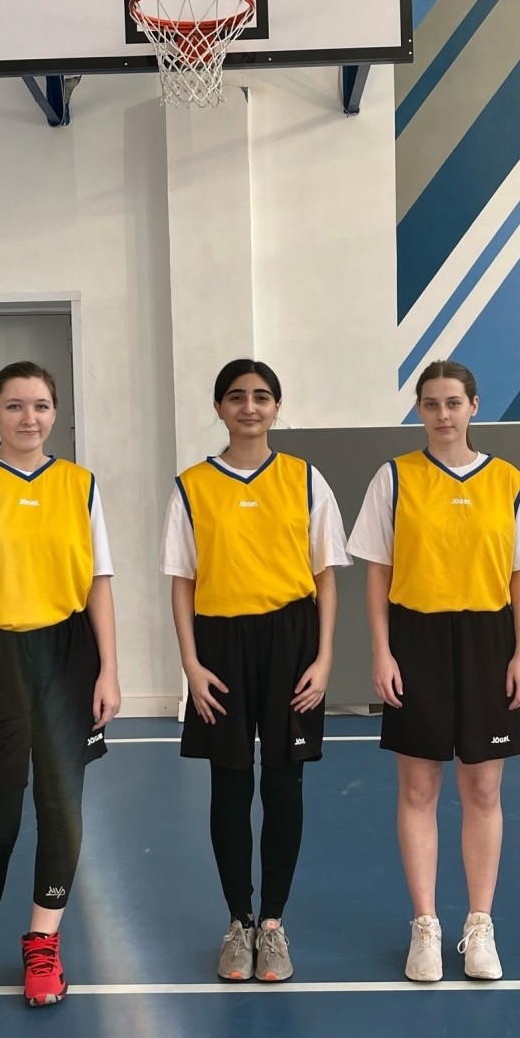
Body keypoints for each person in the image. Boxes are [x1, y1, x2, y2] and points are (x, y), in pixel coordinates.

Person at [0, 361, 122, 1018]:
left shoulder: (79, 484)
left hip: (67, 656)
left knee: (61, 810)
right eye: (14, 405)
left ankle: (43, 942)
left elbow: (98, 582)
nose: (28, 418)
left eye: (39, 405)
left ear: (55, 412)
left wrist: (109, 669)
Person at [347, 360, 520, 983]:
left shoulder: (507, 480)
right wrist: (381, 652)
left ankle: (480, 926)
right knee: (418, 790)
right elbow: (377, 573)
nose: (442, 414)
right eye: (431, 404)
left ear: (473, 406)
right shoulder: (394, 478)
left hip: (489, 639)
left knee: (483, 790)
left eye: (453, 402)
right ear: (419, 409)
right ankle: (426, 926)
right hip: (418, 639)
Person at [162, 359, 349, 982]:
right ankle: (238, 922)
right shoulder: (192, 486)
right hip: (220, 644)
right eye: (237, 396)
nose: (250, 406)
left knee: (285, 784)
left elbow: (325, 576)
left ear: (276, 406)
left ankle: (273, 923)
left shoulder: (305, 479)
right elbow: (182, 582)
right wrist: (191, 664)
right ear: (219, 407)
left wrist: (324, 658)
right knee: (230, 783)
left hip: (291, 639)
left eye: (262, 396)